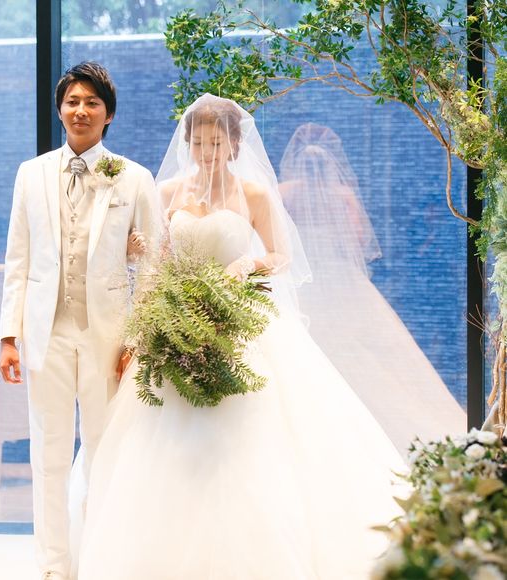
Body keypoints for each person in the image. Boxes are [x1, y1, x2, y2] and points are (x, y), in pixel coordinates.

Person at [75, 94, 407, 580]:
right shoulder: (167, 192)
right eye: (199, 143)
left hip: (240, 319)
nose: (207, 153)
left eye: (217, 143)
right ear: (188, 143)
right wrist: (144, 304)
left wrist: (249, 264)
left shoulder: (254, 194)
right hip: (180, 318)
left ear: (234, 144)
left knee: (253, 424)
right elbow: (155, 261)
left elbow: (281, 256)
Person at [0, 61, 158, 580]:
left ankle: (99, 559)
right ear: (60, 109)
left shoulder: (135, 178)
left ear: (108, 114)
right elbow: (18, 259)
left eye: (92, 102)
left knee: (104, 452)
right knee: (46, 453)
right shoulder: (31, 174)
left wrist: (138, 339)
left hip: (109, 338)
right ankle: (52, 565)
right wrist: (8, 336)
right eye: (72, 101)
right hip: (44, 333)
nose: (81, 110)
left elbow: (154, 266)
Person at [279, 123, 465, 454]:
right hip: (342, 277)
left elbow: (274, 236)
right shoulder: (343, 195)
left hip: (300, 281)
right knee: (368, 353)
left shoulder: (283, 192)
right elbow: (361, 238)